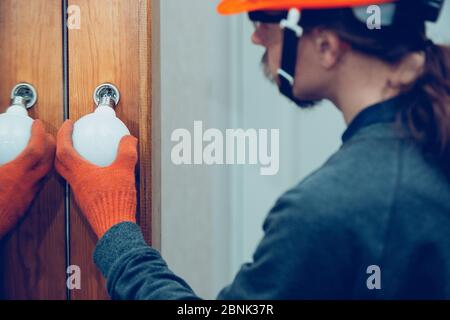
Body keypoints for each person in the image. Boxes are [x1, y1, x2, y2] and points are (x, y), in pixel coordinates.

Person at [2, 0, 450, 299]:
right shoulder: (426, 146)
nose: (256, 37)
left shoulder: (332, 208)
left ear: (328, 46)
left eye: (262, 21)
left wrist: (116, 225)